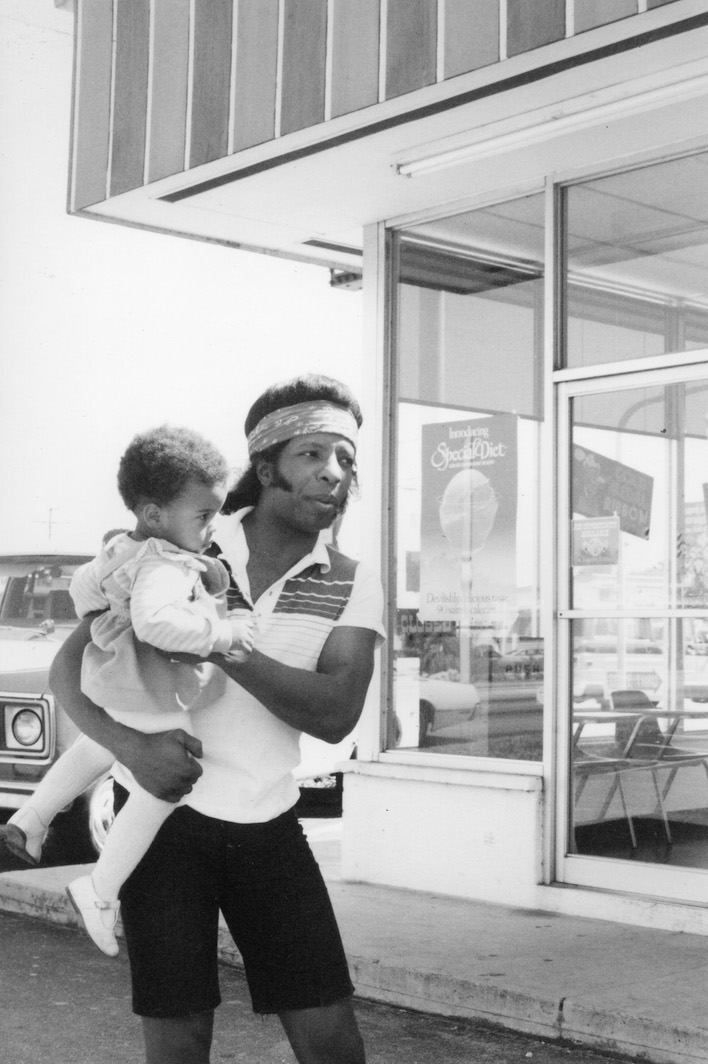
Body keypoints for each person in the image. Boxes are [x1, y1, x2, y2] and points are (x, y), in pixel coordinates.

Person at [49, 374, 385, 1064]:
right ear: (265, 467)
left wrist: (222, 638)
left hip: (268, 820)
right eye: (313, 454)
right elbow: (68, 669)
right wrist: (131, 750)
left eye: (347, 459)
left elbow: (336, 715)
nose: (334, 473)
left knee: (329, 1036)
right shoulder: (186, 535)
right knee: (178, 1038)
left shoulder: (352, 578)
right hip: (161, 825)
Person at [5, 426, 254, 957]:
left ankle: (31, 818)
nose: (212, 528)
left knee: (101, 741)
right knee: (167, 782)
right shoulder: (165, 561)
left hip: (113, 673)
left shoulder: (124, 546)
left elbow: (81, 589)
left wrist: (106, 602)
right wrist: (222, 633)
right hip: (151, 680)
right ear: (156, 514)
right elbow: (158, 626)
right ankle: (98, 889)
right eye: (204, 516)